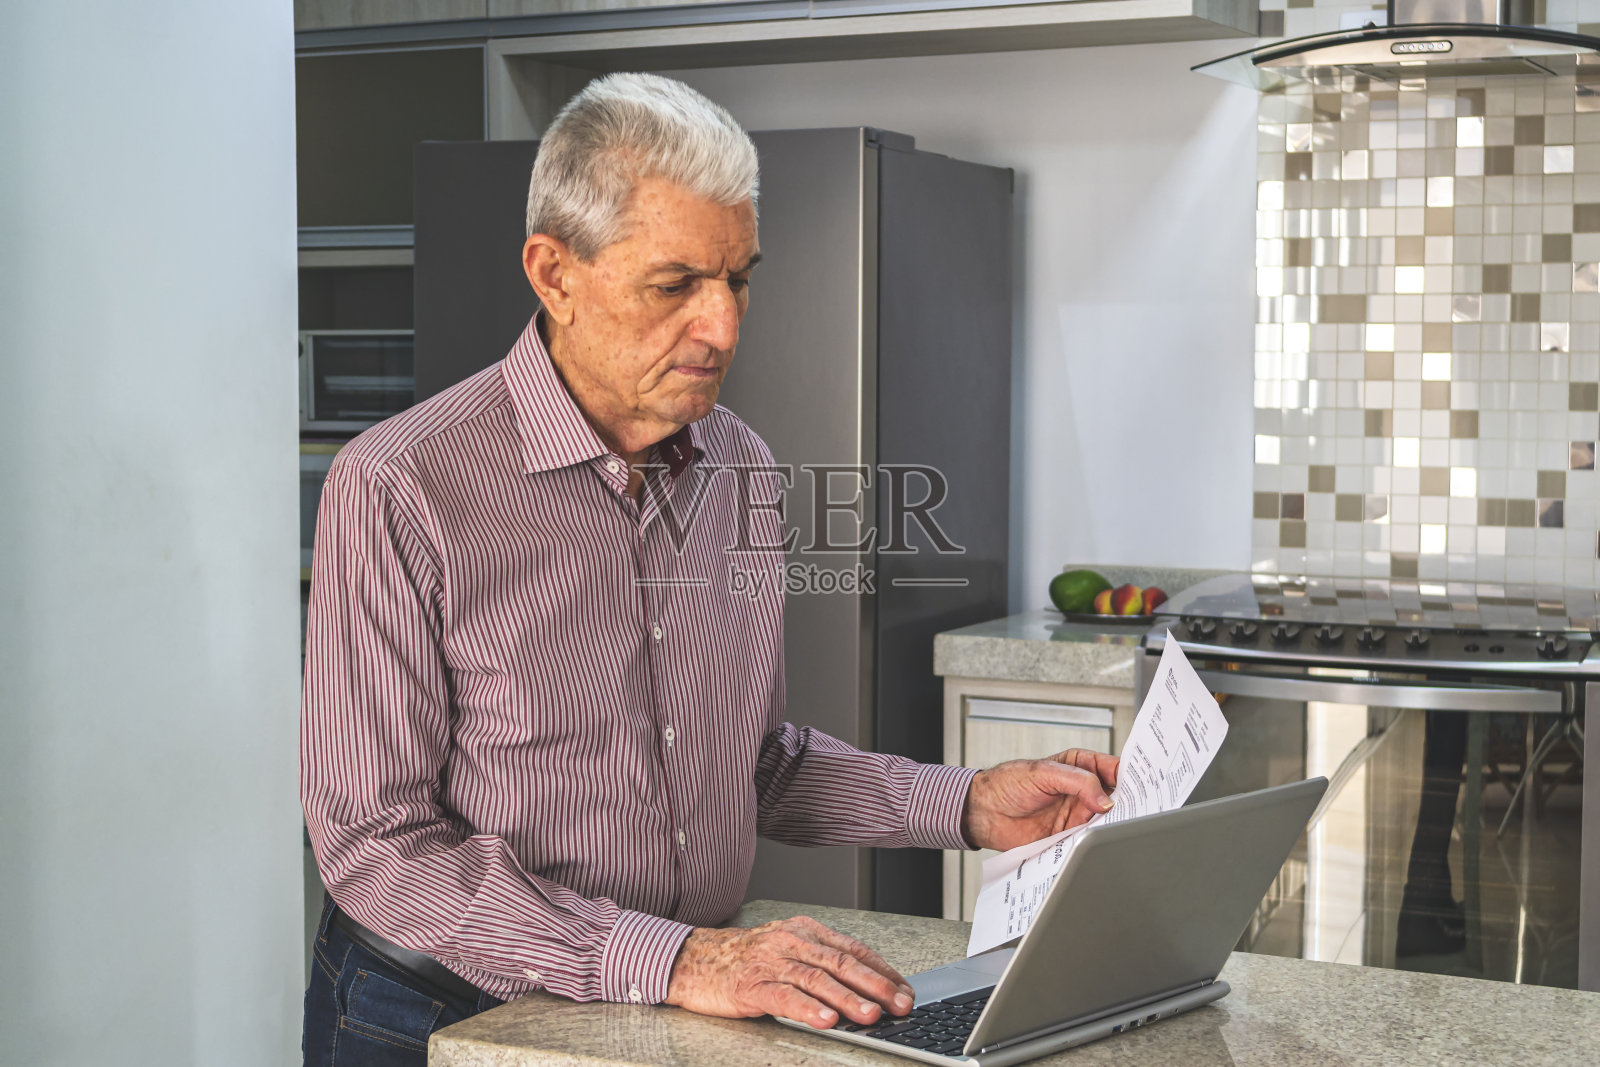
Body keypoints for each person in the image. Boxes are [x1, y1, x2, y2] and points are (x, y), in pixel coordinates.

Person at [299, 71, 1119, 1066]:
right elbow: (376, 848)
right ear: (554, 273)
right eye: (674, 283)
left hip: (657, 1006)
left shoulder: (739, 463)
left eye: (737, 278)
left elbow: (752, 762)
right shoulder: (399, 481)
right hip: (437, 1013)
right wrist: (675, 959)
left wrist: (967, 801)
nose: (723, 326)